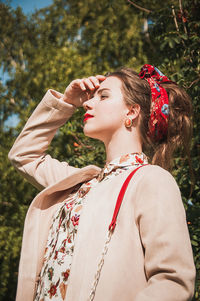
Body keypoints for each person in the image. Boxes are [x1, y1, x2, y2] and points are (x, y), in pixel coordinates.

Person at [8, 64, 196, 301]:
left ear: (132, 112)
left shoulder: (151, 180)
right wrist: (66, 102)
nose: (87, 103)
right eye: (91, 97)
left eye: (103, 96)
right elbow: (23, 155)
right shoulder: (79, 185)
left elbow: (173, 282)